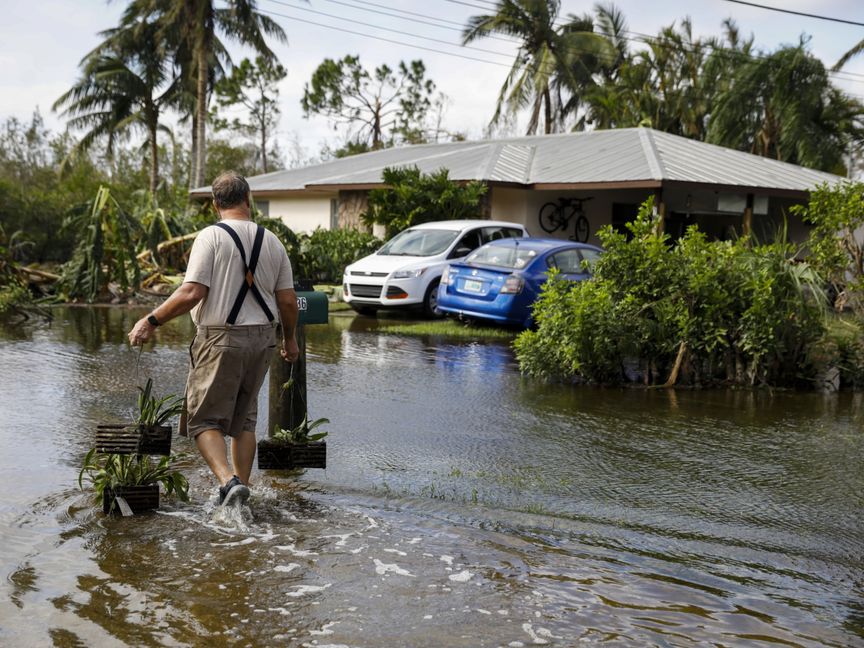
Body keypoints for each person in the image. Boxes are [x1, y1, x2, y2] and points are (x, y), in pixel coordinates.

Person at [128, 171, 299, 507]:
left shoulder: (211, 237)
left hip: (221, 338)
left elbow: (192, 292)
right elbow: (288, 302)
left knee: (203, 419)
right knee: (244, 419)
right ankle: (241, 493)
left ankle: (228, 481)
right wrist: (289, 340)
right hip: (263, 338)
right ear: (248, 199)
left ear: (214, 204)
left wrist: (151, 320)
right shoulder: (273, 241)